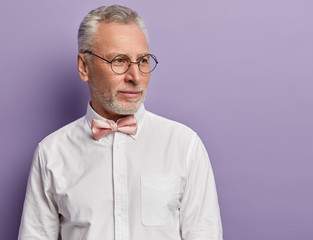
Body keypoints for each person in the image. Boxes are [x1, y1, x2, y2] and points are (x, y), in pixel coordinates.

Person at [18, 5, 222, 240]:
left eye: (143, 61)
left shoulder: (185, 145)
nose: (135, 77)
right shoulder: (51, 153)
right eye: (119, 61)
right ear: (84, 67)